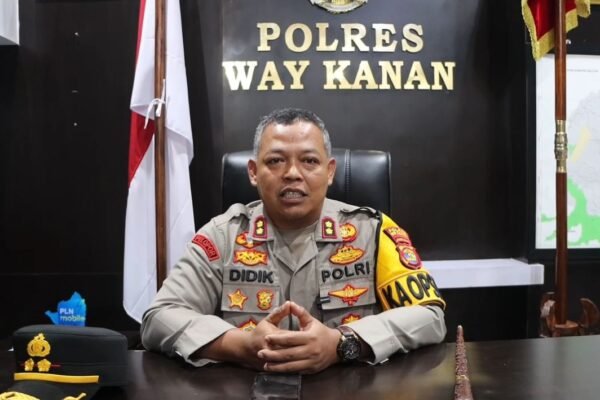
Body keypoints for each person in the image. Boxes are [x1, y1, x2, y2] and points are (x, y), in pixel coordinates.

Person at [140, 108, 446, 374]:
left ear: (330, 172)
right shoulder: (221, 236)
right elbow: (158, 318)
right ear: (253, 173)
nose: (292, 174)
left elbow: (430, 317)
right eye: (275, 161)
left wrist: (342, 343)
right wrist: (241, 346)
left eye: (309, 161)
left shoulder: (373, 232)